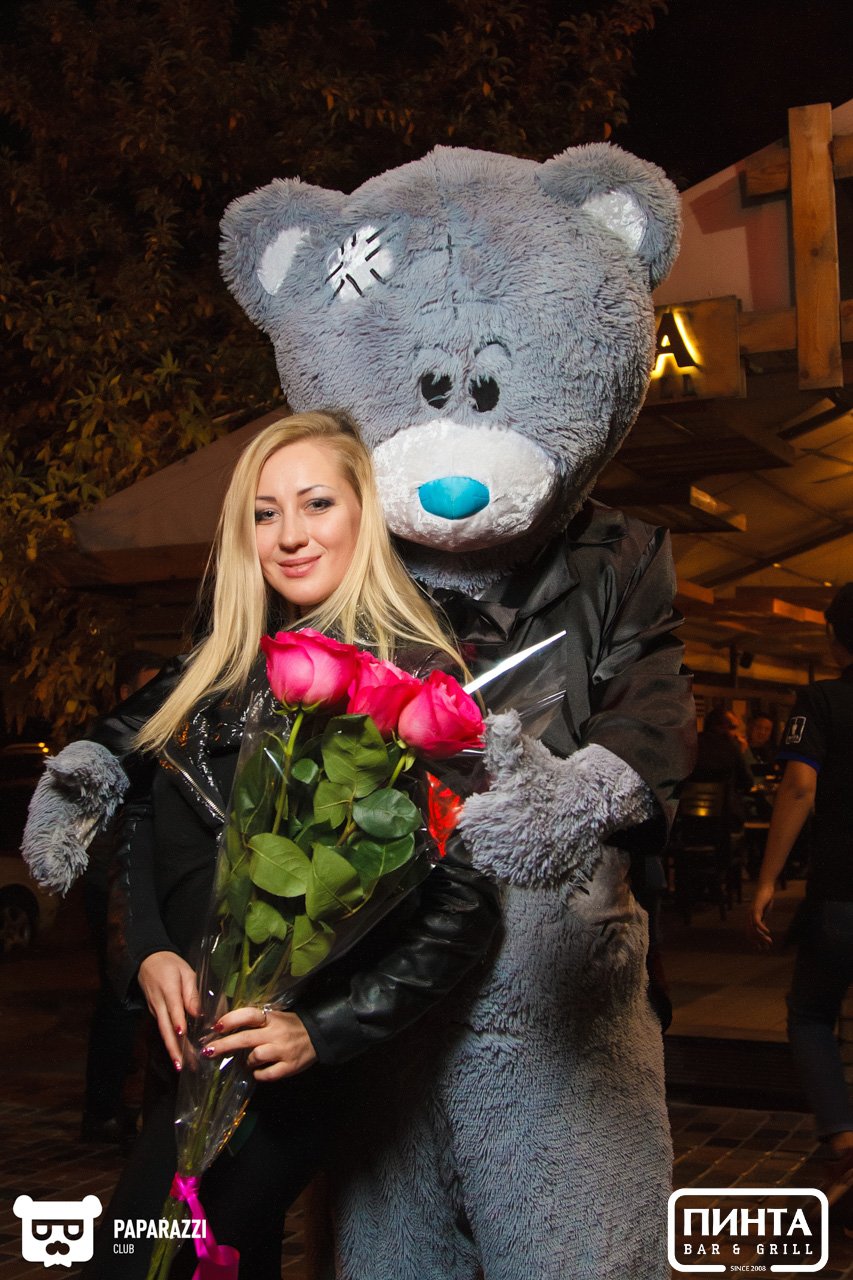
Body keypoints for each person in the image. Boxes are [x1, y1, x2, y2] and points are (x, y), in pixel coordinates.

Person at [86, 410, 501, 1280]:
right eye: (264, 513)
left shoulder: (418, 678)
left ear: (363, 512)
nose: (289, 535)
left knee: (136, 1259)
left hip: (286, 1069)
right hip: (183, 1047)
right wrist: (147, 948)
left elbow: (468, 903)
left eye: (316, 503)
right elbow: (138, 813)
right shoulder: (214, 665)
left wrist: (323, 1030)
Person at [750, 583, 853, 1185]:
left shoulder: (821, 700)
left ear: (835, 639)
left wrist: (767, 880)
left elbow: (798, 788)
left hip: (841, 889)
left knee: (811, 1014)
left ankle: (842, 1135)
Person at [81, 650, 162, 1149]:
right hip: (109, 882)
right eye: (148, 690)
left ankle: (128, 1108)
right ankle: (102, 1112)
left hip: (137, 883)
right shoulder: (111, 742)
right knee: (120, 998)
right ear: (125, 694)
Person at [690, 706, 754, 830]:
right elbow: (747, 782)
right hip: (726, 818)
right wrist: (741, 753)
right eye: (733, 728)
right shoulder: (731, 748)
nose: (736, 734)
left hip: (689, 817)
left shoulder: (689, 745)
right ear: (719, 727)